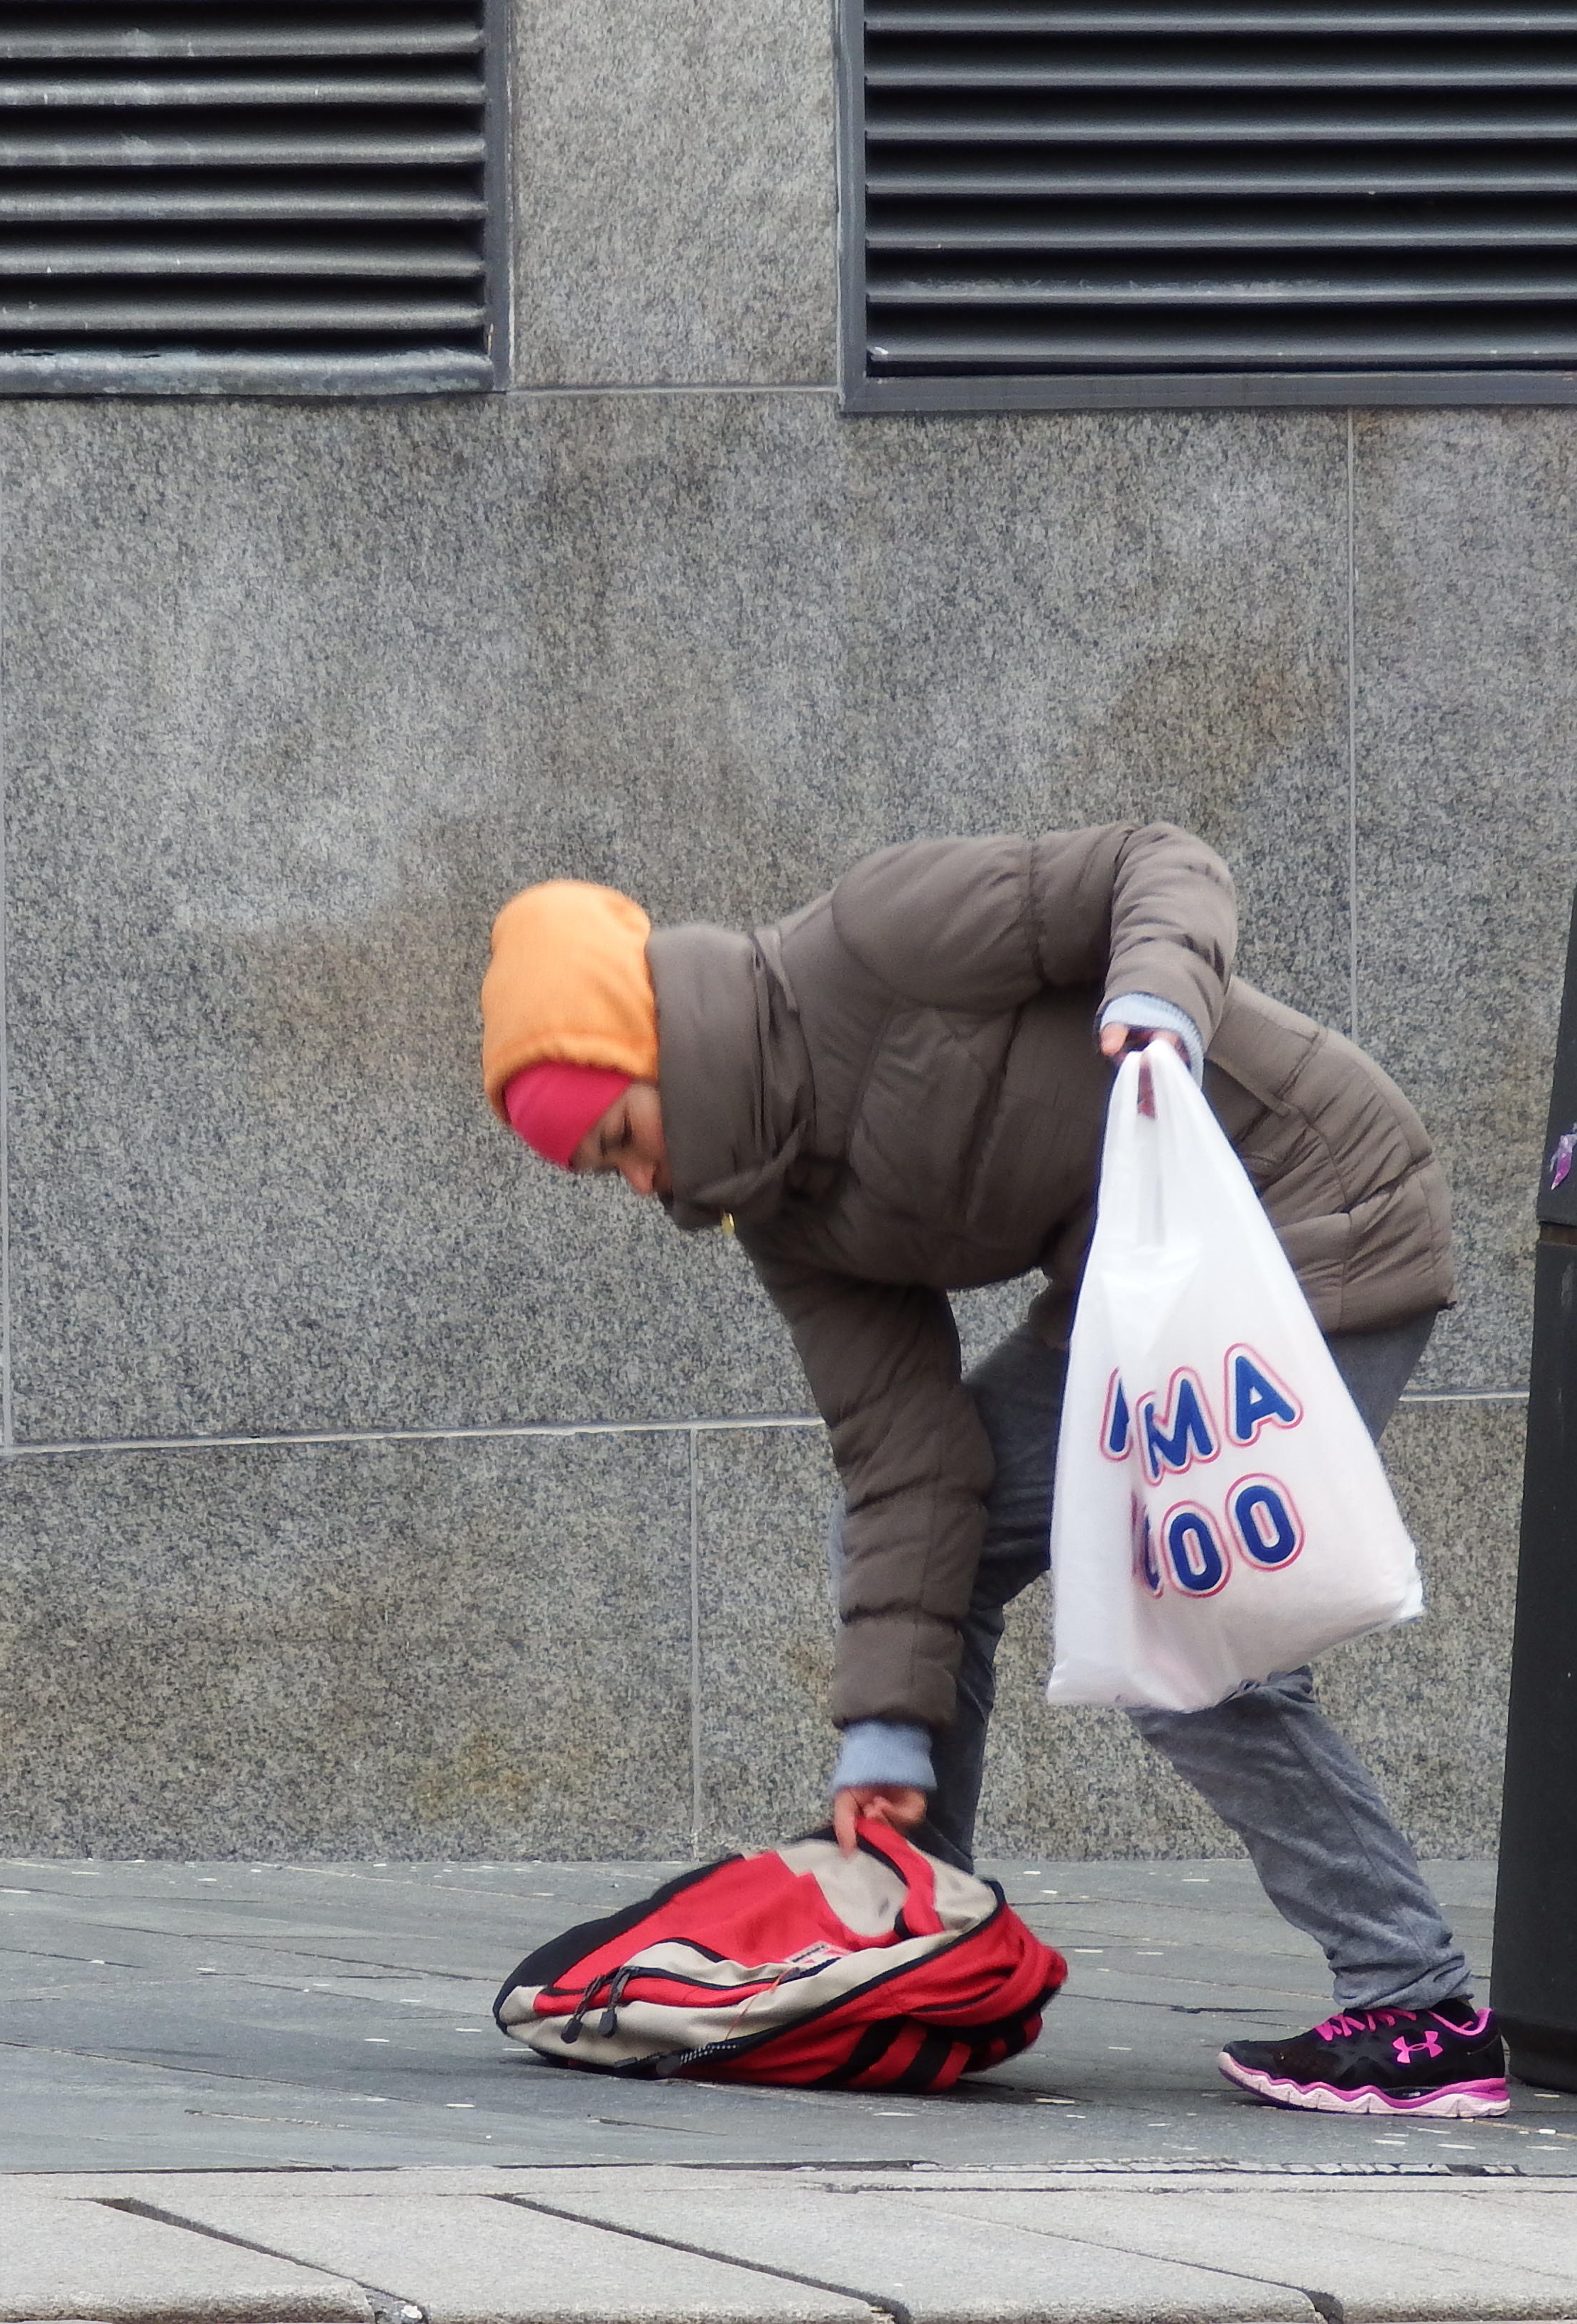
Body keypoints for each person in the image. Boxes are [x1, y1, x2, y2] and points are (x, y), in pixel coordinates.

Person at [475, 824, 1505, 2119]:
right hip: (1124, 1291)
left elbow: (1159, 861)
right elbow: (908, 1466)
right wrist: (884, 1737)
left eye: (621, 1135)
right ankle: (916, 1934)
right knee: (916, 1551)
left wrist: (1156, 1004)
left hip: (1300, 1219)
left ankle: (1417, 2008)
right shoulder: (785, 1217)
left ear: (660, 1055)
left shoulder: (880, 939)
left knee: (1181, 1630)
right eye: (602, 1172)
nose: (635, 1182)